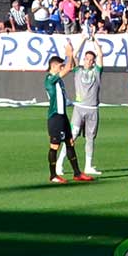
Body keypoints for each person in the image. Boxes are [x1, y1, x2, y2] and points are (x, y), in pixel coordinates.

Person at [44, 40, 93, 184]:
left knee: (70, 142)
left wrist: (71, 54)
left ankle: (77, 173)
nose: (62, 68)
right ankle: (53, 175)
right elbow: (67, 68)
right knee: (55, 145)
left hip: (62, 116)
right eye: (59, 66)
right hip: (55, 117)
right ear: (53, 66)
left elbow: (68, 67)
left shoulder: (57, 79)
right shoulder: (49, 79)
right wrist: (70, 55)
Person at [55, 35, 104, 177]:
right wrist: (83, 38)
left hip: (93, 109)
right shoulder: (78, 70)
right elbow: (73, 55)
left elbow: (100, 54)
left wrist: (94, 39)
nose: (88, 61)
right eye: (86, 59)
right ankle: (60, 163)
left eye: (90, 60)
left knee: (90, 138)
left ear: (93, 62)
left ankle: (88, 165)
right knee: (72, 136)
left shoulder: (97, 71)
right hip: (79, 109)